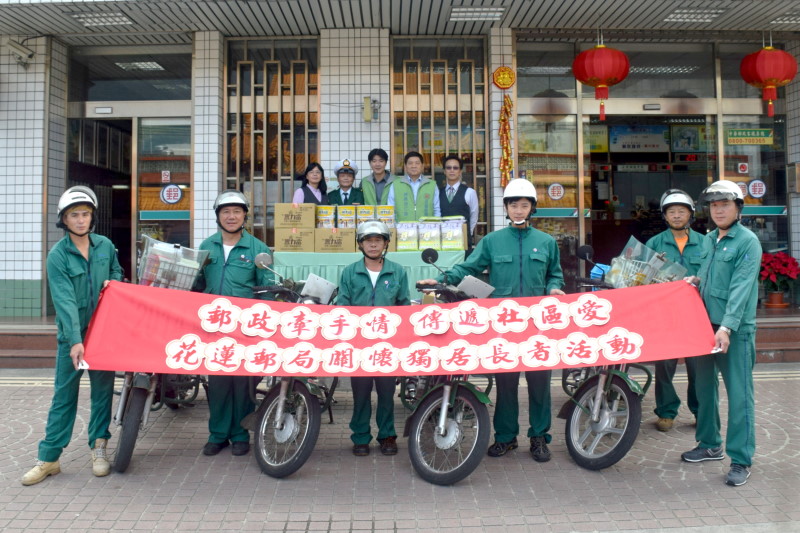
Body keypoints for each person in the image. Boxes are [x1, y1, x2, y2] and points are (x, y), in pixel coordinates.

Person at [418, 178, 565, 462]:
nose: (519, 210)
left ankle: (538, 438)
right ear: (506, 209)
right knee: (506, 382)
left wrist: (554, 288)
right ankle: (506, 437)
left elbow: (554, 274)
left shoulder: (546, 242)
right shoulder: (492, 241)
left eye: (524, 205)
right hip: (505, 324)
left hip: (537, 324)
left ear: (532, 208)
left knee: (539, 384)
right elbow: (466, 267)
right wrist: (438, 280)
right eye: (514, 205)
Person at [22, 186, 124, 486]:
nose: (81, 220)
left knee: (102, 394)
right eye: (74, 215)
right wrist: (76, 340)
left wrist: (112, 283)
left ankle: (99, 448)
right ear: (63, 220)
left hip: (103, 334)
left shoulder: (105, 245)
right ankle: (49, 458)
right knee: (64, 397)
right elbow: (64, 300)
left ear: (92, 217)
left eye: (85, 214)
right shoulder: (58, 256)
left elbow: (117, 274)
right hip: (72, 338)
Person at [682, 180, 760, 487]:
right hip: (704, 325)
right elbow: (709, 276)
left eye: (725, 204)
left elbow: (741, 289)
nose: (719, 210)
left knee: (739, 394)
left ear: (738, 208)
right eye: (714, 205)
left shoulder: (747, 241)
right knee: (703, 387)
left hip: (734, 330)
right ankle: (709, 443)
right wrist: (695, 281)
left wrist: (726, 328)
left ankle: (740, 459)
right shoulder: (709, 239)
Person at [195, 190, 273, 457]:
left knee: (244, 384)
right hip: (214, 327)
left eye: (237, 212)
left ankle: (240, 434)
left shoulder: (258, 249)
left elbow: (268, 289)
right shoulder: (206, 247)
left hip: (245, 328)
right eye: (226, 212)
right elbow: (195, 285)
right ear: (218, 216)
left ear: (245, 216)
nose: (231, 216)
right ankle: (217, 435)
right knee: (217, 383)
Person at [337, 221, 410, 456]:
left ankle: (387, 436)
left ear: (386, 243)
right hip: (359, 344)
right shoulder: (350, 272)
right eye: (368, 240)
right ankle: (360, 437)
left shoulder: (397, 271)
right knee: (361, 393)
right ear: (360, 244)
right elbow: (343, 306)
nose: (373, 244)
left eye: (378, 240)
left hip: (387, 345)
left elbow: (404, 306)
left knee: (387, 393)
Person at [645, 189, 710, 432]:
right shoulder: (655, 243)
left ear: (690, 214)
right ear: (665, 216)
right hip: (666, 314)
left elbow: (711, 275)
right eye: (671, 211)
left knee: (698, 368)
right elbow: (646, 277)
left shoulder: (705, 243)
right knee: (664, 366)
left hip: (696, 314)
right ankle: (666, 412)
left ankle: (699, 410)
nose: (676, 215)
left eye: (681, 211)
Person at [387, 151, 441, 221]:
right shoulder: (395, 185)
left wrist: (435, 226)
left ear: (422, 166)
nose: (413, 166)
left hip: (427, 229)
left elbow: (436, 209)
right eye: (410, 163)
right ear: (405, 166)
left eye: (417, 163)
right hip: (402, 229)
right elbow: (391, 209)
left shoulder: (432, 185)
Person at [439, 155, 479, 249]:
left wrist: (467, 233)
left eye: (455, 168)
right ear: (444, 171)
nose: (452, 170)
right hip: (442, 241)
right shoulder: (437, 192)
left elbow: (474, 216)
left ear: (460, 171)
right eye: (448, 168)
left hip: (462, 240)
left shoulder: (470, 192)